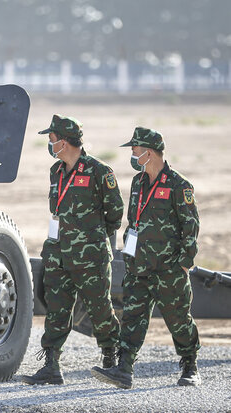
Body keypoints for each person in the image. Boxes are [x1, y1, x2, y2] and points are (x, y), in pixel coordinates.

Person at [91, 127, 201, 389]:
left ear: (148, 153)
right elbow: (134, 222)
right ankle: (124, 369)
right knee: (132, 318)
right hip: (139, 267)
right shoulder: (138, 183)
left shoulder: (179, 185)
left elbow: (191, 228)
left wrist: (184, 263)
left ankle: (190, 365)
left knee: (178, 319)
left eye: (135, 149)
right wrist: (129, 256)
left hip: (169, 270)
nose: (132, 153)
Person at [22, 114, 123, 385]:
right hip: (58, 253)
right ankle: (52, 366)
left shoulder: (99, 171)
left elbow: (115, 213)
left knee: (100, 307)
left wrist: (92, 235)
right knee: (57, 309)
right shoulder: (55, 172)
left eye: (52, 139)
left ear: (64, 142)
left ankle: (111, 359)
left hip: (90, 257)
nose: (50, 144)